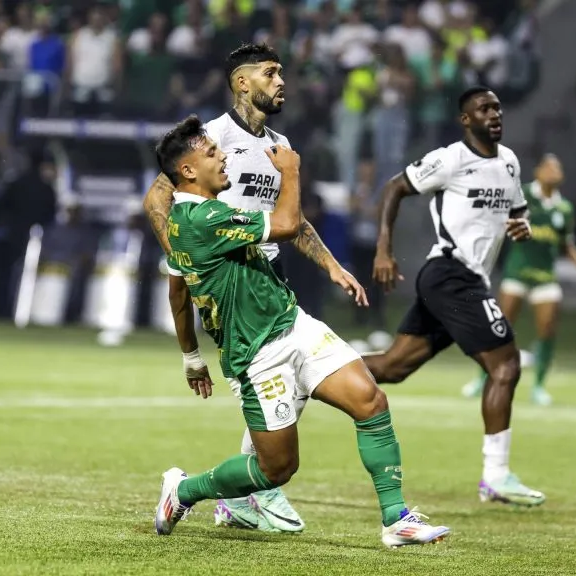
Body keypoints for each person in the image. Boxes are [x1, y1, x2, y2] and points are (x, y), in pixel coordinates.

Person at [152, 115, 450, 548]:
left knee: (370, 399)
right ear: (189, 170)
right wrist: (290, 170)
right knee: (276, 470)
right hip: (255, 355)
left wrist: (190, 356)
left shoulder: (191, 218)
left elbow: (177, 293)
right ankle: (184, 491)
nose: (223, 159)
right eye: (213, 154)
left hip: (292, 324)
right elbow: (288, 225)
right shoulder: (202, 219)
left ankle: (396, 519)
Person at [143, 42, 367, 533]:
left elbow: (293, 221)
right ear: (241, 82)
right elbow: (156, 198)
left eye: (282, 72)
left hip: (269, 276)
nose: (281, 81)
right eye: (270, 73)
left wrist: (331, 265)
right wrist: (185, 261)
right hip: (231, 284)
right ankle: (255, 489)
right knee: (272, 384)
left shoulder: (278, 144)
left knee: (294, 387)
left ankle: (248, 495)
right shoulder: (211, 138)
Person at [364, 86, 546, 507]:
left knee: (393, 367)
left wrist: (523, 224)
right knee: (506, 365)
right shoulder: (450, 159)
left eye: (497, 106)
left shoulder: (509, 162)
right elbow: (394, 188)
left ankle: (308, 374)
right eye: (483, 109)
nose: (494, 114)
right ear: (466, 120)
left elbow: (518, 212)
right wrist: (384, 250)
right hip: (451, 274)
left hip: (464, 279)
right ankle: (496, 476)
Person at [461, 154, 576, 406]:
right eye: (549, 167)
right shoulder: (522, 195)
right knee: (499, 329)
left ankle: (538, 386)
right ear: (538, 172)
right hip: (517, 272)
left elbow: (566, 245)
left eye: (558, 168)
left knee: (548, 330)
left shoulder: (564, 208)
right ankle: (482, 378)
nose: (554, 172)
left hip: (545, 276)